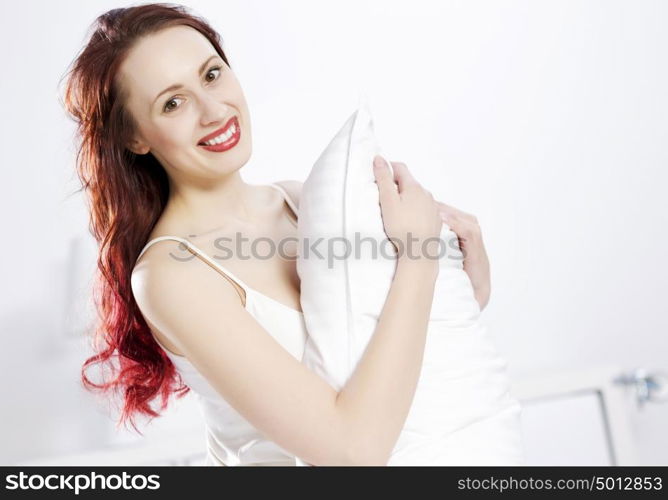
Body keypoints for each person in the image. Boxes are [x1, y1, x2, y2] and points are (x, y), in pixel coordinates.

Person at [62, 3, 443, 466]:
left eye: (211, 74)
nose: (212, 109)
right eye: (172, 103)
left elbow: (410, 340)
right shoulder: (171, 275)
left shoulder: (301, 203)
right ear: (135, 138)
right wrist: (420, 260)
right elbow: (352, 453)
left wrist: (467, 263)